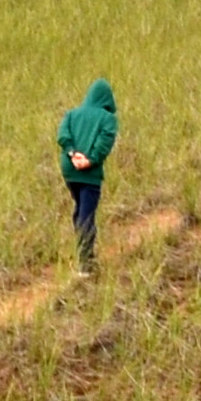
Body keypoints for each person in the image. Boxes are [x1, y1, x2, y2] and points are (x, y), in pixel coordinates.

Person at [57, 78, 117, 274]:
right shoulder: (108, 118)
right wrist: (90, 160)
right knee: (87, 215)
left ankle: (83, 250)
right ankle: (86, 263)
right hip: (89, 173)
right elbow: (104, 140)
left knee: (80, 208)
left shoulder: (72, 114)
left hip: (69, 170)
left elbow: (63, 136)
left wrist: (73, 153)